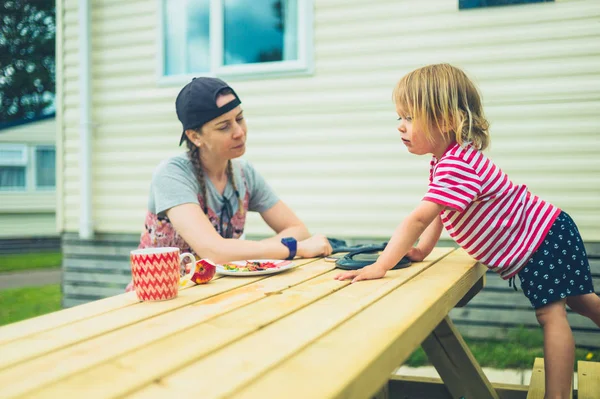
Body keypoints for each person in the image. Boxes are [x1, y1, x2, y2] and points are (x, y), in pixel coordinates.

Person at [334, 64, 600, 398]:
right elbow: (441, 212)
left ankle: (557, 395)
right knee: (581, 301)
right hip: (546, 234)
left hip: (543, 239)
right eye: (399, 117)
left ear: (445, 120)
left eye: (409, 117)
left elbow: (419, 217)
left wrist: (381, 264)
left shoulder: (457, 165)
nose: (400, 126)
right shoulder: (446, 162)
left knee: (552, 314)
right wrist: (422, 250)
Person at [133, 77, 332, 275]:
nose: (239, 132)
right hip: (164, 299)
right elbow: (214, 252)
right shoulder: (172, 175)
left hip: (218, 293)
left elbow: (298, 230)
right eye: (224, 126)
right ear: (195, 137)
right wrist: (291, 249)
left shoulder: (245, 174)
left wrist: (242, 252)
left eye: (239, 119)